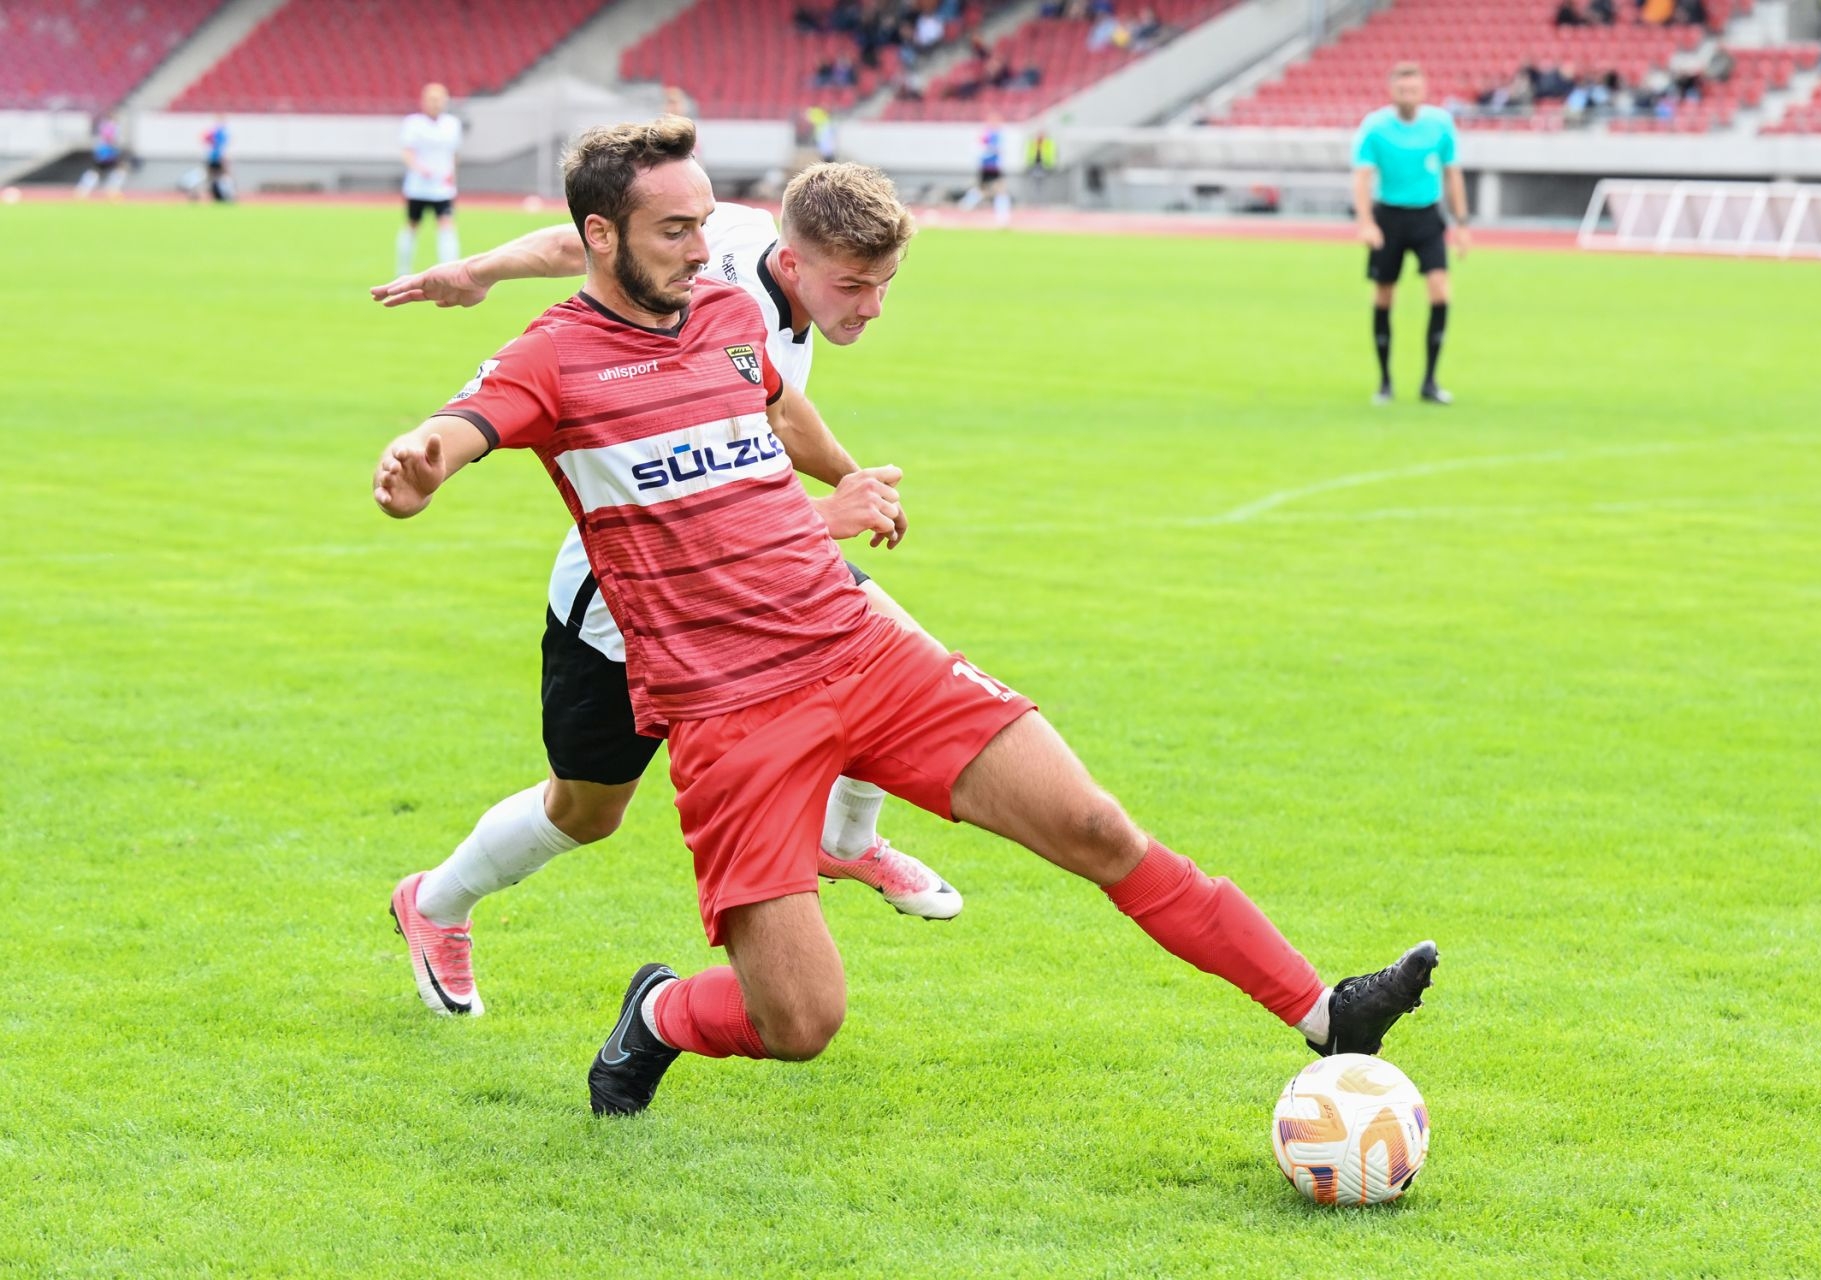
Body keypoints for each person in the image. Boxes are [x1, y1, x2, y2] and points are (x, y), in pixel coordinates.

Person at [370, 116, 1440, 1116]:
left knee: (1093, 825)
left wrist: (844, 481)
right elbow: (472, 420)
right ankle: (656, 1010)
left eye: (706, 222)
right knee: (800, 1019)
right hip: (730, 713)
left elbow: (771, 409)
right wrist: (425, 457)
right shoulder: (553, 361)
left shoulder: (738, 311)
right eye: (676, 229)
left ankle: (1325, 1009)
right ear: (601, 235)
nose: (704, 247)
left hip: (861, 645)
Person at [369, 160, 965, 1016]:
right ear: (796, 267)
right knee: (584, 811)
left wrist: (850, 479)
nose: (870, 305)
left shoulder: (734, 236)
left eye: (882, 284)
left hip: (760, 575)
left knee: (904, 665)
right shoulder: (709, 308)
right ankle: (434, 904)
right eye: (854, 286)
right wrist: (829, 510)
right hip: (631, 601)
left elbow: (777, 407)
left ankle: (847, 836)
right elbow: (595, 254)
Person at [1351, 63, 1470, 406]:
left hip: (1427, 216)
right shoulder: (1375, 127)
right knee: (1385, 295)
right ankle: (1385, 381)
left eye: (1414, 89)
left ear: (1424, 89)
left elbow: (1453, 174)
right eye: (1403, 89)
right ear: (1392, 91)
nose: (1409, 95)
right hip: (1388, 216)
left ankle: (1430, 381)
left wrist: (1462, 224)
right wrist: (1366, 223)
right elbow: (1362, 176)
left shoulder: (1439, 124)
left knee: (1440, 289)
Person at [397, 82, 463, 276]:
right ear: (423, 101)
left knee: (447, 224)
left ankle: (450, 271)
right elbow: (407, 152)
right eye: (433, 99)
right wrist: (419, 169)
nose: (437, 103)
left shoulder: (452, 124)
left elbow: (454, 153)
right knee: (412, 224)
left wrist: (452, 175)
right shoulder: (413, 123)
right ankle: (403, 270)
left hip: (442, 188)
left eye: (441, 99)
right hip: (418, 187)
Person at [957, 116, 1012, 225]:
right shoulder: (989, 135)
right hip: (991, 167)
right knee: (999, 191)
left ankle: (965, 205)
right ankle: (1002, 217)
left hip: (989, 167)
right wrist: (993, 151)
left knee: (984, 190)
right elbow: (983, 149)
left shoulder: (989, 135)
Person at [74, 117, 126, 200]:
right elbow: (107, 140)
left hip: (107, 156)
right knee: (94, 173)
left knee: (118, 172)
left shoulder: (109, 135)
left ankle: (112, 190)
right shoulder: (105, 139)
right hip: (104, 157)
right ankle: (84, 191)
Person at [198, 117, 234, 203]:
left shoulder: (213, 132)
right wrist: (223, 158)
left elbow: (205, 139)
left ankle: (215, 196)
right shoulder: (220, 132)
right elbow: (221, 147)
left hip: (212, 158)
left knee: (212, 178)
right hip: (217, 158)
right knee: (223, 177)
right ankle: (224, 196)